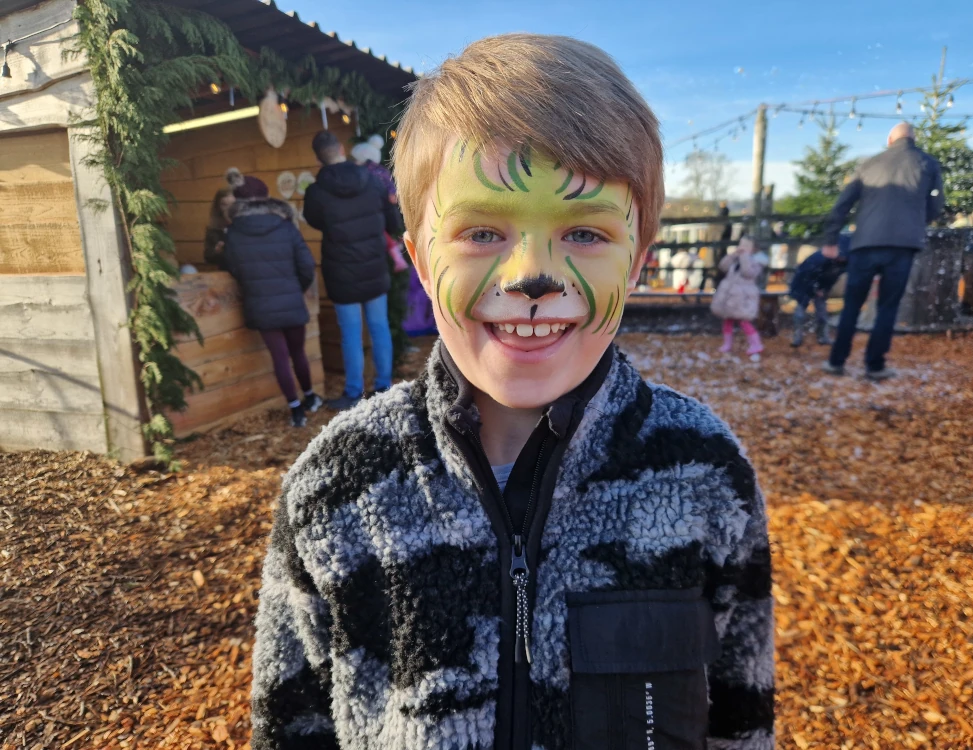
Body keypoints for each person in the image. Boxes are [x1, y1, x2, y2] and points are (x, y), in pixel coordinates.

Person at [251, 34, 774, 750]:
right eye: (483, 232)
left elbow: (742, 720)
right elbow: (290, 728)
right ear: (421, 262)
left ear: (639, 260)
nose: (533, 278)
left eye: (586, 233)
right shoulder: (337, 489)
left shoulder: (704, 475)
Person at [821, 122, 945, 379]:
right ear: (913, 139)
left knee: (852, 305)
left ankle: (836, 361)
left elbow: (843, 203)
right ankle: (874, 366)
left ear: (890, 140)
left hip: (865, 243)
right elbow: (936, 206)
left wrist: (831, 238)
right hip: (903, 246)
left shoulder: (869, 164)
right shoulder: (928, 164)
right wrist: (914, 221)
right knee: (888, 307)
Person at [303, 130, 405, 410]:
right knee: (379, 327)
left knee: (350, 333)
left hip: (341, 270)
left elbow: (314, 221)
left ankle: (353, 393)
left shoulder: (316, 192)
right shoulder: (372, 181)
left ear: (318, 157)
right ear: (341, 149)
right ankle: (383, 387)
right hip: (374, 265)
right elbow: (392, 222)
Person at [223, 169, 320, 427]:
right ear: (267, 199)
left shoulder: (233, 233)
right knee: (297, 352)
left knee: (279, 358)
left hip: (260, 304)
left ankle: (296, 410)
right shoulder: (285, 226)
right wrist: (294, 288)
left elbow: (234, 268)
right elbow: (306, 265)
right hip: (291, 301)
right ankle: (310, 397)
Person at [352, 136, 410, 272]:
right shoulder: (382, 171)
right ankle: (397, 248)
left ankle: (397, 255)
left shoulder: (362, 172)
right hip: (385, 210)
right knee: (386, 233)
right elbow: (393, 194)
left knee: (380, 233)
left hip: (372, 211)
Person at [711, 236, 765, 356]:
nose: (742, 248)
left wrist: (744, 256)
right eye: (741, 245)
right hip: (730, 294)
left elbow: (748, 273)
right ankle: (727, 344)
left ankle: (756, 344)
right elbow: (723, 267)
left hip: (744, 295)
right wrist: (732, 255)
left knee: (743, 320)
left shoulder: (757, 261)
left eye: (746, 246)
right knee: (727, 319)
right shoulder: (735, 259)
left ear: (753, 249)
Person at [788, 245, 847, 347]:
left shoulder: (842, 264)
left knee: (822, 313)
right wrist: (815, 288)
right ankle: (797, 338)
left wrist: (824, 289)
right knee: (800, 312)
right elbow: (806, 275)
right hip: (803, 284)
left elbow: (832, 278)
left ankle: (823, 337)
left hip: (820, 285)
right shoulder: (819, 259)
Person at [203, 186, 234, 269]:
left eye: (233, 204)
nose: (229, 209)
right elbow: (208, 257)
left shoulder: (247, 226)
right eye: (224, 205)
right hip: (226, 271)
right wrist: (217, 251)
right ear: (218, 207)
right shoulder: (214, 230)